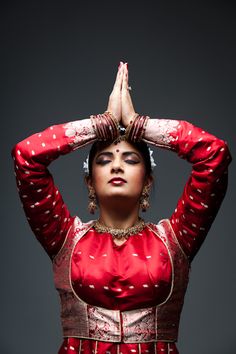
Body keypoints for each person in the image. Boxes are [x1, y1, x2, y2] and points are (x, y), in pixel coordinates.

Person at [12, 61, 231, 354]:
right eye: (104, 160)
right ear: (90, 182)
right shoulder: (64, 238)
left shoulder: (175, 240)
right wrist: (100, 124)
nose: (117, 165)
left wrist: (138, 123)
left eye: (130, 160)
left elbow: (215, 155)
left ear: (147, 181)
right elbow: (26, 156)